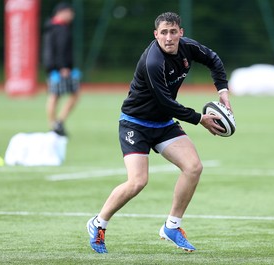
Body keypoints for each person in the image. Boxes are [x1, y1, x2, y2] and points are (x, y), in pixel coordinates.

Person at [87, 12, 233, 254]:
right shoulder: (153, 61)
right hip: (136, 124)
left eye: (173, 32)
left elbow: (214, 59)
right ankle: (98, 223)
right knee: (138, 181)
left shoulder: (188, 48)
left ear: (180, 33)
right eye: (163, 32)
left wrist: (222, 90)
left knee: (194, 167)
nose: (168, 37)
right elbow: (165, 102)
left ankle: (172, 227)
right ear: (156, 35)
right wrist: (200, 119)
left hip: (163, 123)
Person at [42, 2, 81, 136]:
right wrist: (63, 67)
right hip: (60, 69)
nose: (72, 16)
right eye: (70, 12)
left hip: (52, 68)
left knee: (55, 96)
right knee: (67, 95)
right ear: (62, 12)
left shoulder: (50, 27)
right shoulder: (60, 29)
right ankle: (56, 123)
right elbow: (60, 49)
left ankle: (54, 124)